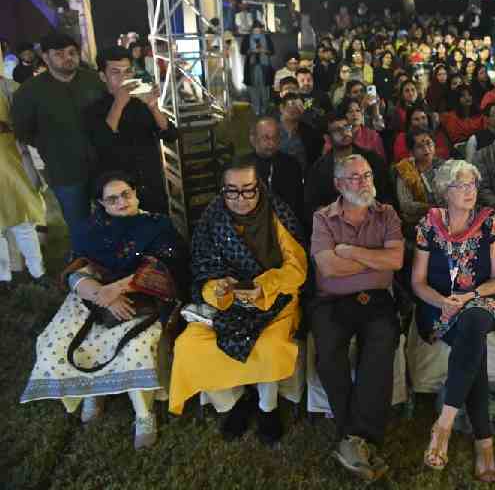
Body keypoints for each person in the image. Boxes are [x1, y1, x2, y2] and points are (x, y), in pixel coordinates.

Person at [21, 172, 188, 449]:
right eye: (112, 199)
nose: (121, 202)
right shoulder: (90, 229)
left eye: (126, 194)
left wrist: (121, 288)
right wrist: (102, 294)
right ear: (101, 203)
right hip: (96, 298)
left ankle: (143, 413)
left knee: (134, 346)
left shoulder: (156, 225)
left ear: (135, 192)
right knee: (60, 340)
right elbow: (74, 269)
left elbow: (170, 268)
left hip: (147, 298)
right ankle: (92, 390)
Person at [169, 157, 308, 447]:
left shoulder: (277, 213)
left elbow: (297, 268)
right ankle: (232, 405)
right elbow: (202, 268)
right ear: (222, 190)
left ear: (260, 187)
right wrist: (218, 290)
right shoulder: (212, 218)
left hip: (275, 299)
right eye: (232, 191)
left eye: (248, 189)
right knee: (189, 346)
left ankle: (267, 408)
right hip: (226, 304)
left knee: (268, 345)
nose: (241, 199)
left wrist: (263, 287)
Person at [309, 154, 404, 481]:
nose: (364, 182)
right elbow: (328, 268)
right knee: (328, 355)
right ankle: (358, 437)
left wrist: (350, 252)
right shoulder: (322, 218)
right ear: (338, 184)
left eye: (367, 175)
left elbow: (396, 259)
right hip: (331, 300)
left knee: (380, 347)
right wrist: (374, 261)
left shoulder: (387, 213)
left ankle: (352, 437)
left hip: (376, 300)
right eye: (354, 177)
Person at [412, 160, 495, 482]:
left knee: (474, 324)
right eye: (461, 186)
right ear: (444, 191)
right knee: (473, 346)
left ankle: (444, 424)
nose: (469, 192)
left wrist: (469, 297)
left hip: (482, 297)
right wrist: (441, 301)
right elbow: (418, 282)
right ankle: (485, 442)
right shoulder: (429, 224)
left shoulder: (489, 222)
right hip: (438, 304)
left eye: (472, 186)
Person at [11, 33, 106, 230]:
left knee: (110, 220)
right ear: (45, 57)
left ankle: (114, 260)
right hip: (64, 171)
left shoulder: (94, 81)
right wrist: (51, 144)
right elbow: (22, 130)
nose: (67, 57)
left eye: (72, 52)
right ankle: (83, 259)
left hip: (103, 166)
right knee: (79, 225)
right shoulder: (29, 92)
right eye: (59, 54)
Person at [83, 46, 177, 215]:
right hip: (119, 191)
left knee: (157, 231)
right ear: (103, 76)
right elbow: (102, 143)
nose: (123, 78)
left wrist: (153, 107)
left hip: (151, 184)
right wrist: (119, 103)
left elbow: (170, 134)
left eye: (127, 71)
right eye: (115, 72)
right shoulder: (93, 110)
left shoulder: (140, 103)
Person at [304, 113, 393, 231]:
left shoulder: (372, 159)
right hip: (335, 229)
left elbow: (386, 195)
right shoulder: (318, 169)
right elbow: (311, 206)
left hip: (372, 225)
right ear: (327, 138)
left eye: (347, 127)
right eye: (337, 130)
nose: (345, 132)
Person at [0, 77, 48, 289]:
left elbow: (29, 120)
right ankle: (4, 277)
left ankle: (37, 271)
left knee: (23, 222)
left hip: (12, 166)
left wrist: (8, 126)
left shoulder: (8, 87)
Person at [249, 116, 305, 222]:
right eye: (266, 138)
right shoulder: (243, 167)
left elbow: (297, 204)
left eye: (275, 138)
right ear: (253, 139)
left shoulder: (291, 164)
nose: (271, 143)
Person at [395, 128, 444, 237]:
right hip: (417, 223)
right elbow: (406, 205)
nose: (426, 149)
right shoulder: (405, 170)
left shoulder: (443, 166)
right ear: (411, 152)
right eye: (420, 146)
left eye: (429, 143)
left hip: (445, 218)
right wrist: (430, 208)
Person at [240, 22, 276, 116]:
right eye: (255, 29)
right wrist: (251, 51)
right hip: (251, 66)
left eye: (258, 29)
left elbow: (272, 51)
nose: (257, 31)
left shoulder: (266, 38)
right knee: (253, 88)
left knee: (265, 88)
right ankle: (256, 109)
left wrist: (265, 51)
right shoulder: (247, 38)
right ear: (252, 30)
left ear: (261, 29)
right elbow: (242, 50)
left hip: (264, 66)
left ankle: (264, 108)